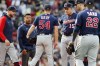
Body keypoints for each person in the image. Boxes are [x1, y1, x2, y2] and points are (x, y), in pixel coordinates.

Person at [70, 0, 100, 66]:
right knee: (92, 61)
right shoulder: (98, 14)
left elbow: (76, 29)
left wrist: (72, 41)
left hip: (84, 38)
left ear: (85, 5)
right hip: (95, 38)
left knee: (78, 58)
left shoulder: (81, 13)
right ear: (93, 5)